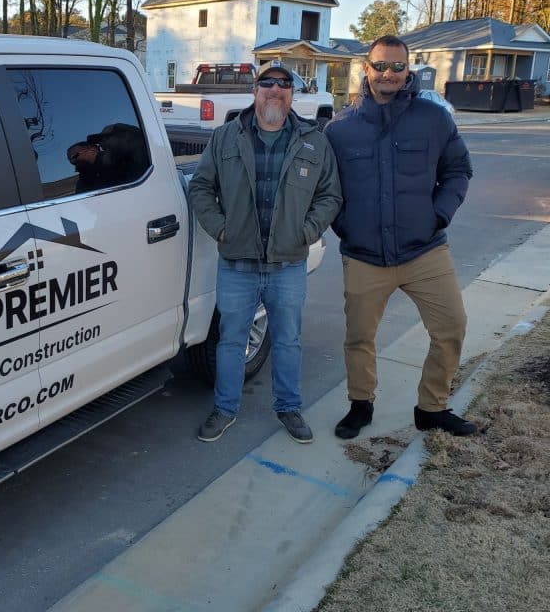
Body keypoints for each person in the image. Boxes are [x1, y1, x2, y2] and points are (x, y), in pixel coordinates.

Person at [326, 35, 475, 439]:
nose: (388, 74)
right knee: (359, 337)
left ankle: (432, 406)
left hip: (424, 251)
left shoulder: (434, 118)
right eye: (380, 66)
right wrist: (345, 225)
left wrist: (439, 214)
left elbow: (459, 170)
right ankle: (361, 404)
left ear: (408, 69)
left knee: (451, 327)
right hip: (363, 256)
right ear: (366, 69)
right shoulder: (340, 129)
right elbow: (327, 189)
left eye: (397, 66)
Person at [188, 61, 342, 443]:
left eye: (284, 84)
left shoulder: (313, 141)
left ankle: (289, 408)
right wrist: (221, 228)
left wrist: (305, 232)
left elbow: (330, 196)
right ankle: (225, 409)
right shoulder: (226, 137)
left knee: (288, 339)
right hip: (237, 264)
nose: (276, 89)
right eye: (267, 83)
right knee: (230, 340)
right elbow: (201, 188)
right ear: (255, 92)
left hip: (287, 264)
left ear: (292, 94)